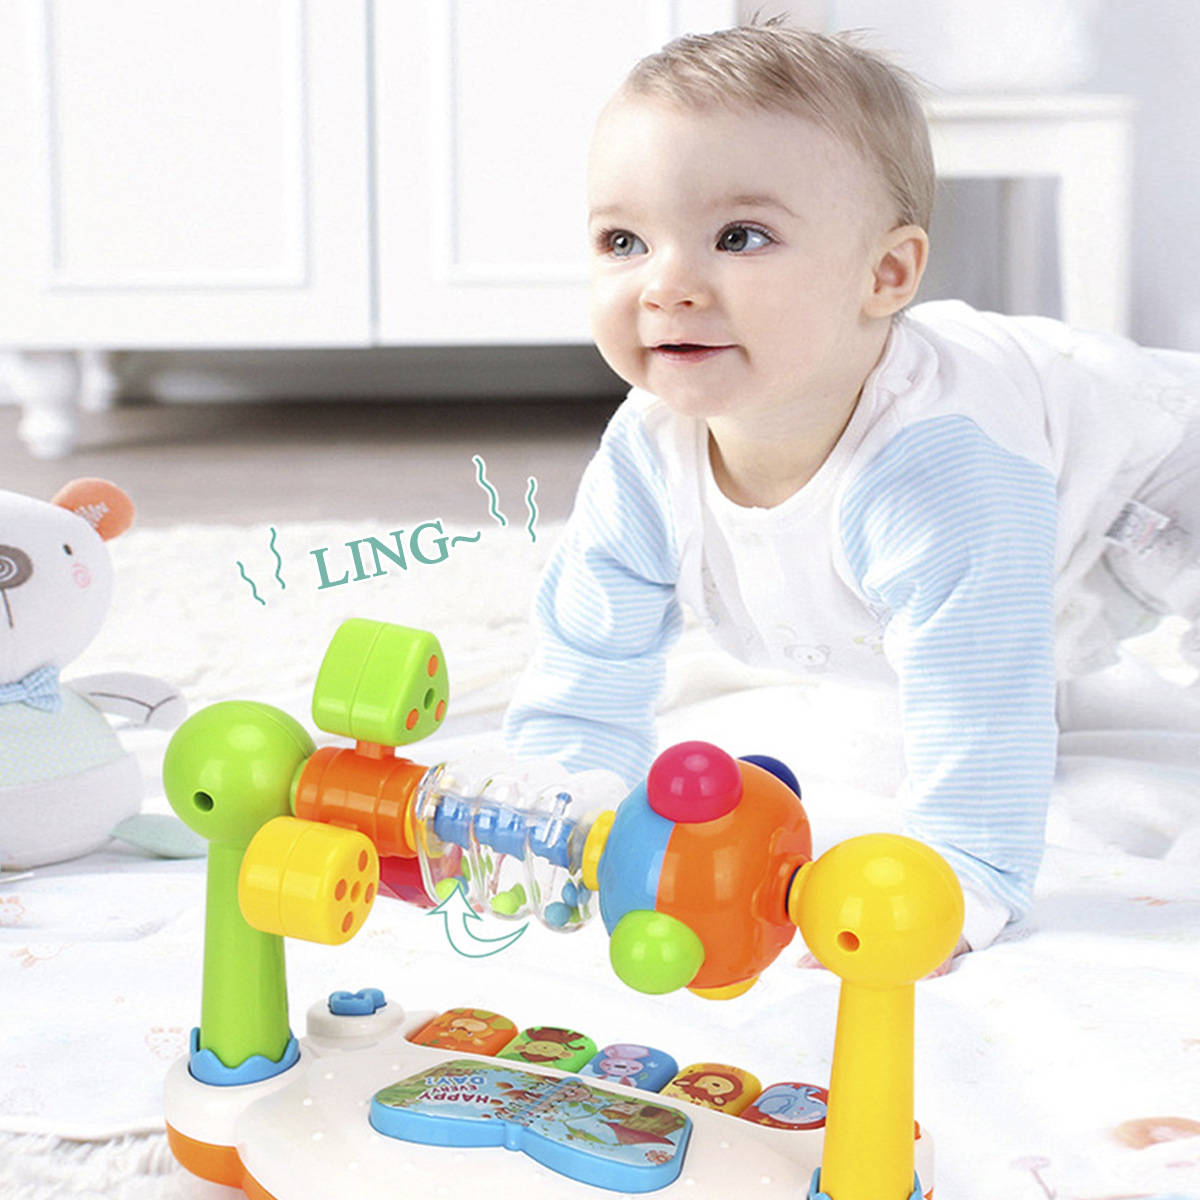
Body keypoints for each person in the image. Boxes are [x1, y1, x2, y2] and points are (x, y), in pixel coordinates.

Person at [503, 22, 1200, 956]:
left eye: (739, 237)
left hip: (1158, 484)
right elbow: (590, 655)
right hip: (1042, 516)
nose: (666, 286)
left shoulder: (938, 472)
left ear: (886, 274)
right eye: (624, 240)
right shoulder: (649, 449)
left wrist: (961, 880)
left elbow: (981, 701)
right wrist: (558, 808)